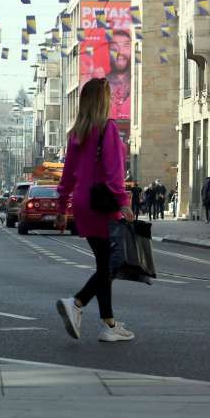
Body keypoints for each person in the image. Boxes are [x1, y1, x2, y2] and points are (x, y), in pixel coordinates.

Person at [54, 78, 136, 343]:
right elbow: (114, 172)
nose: (112, 99)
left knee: (104, 263)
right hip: (102, 203)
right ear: (103, 100)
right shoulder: (108, 129)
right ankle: (77, 303)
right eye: (109, 95)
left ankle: (109, 324)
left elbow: (67, 175)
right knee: (109, 265)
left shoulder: (78, 133)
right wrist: (123, 202)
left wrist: (61, 207)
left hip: (82, 202)